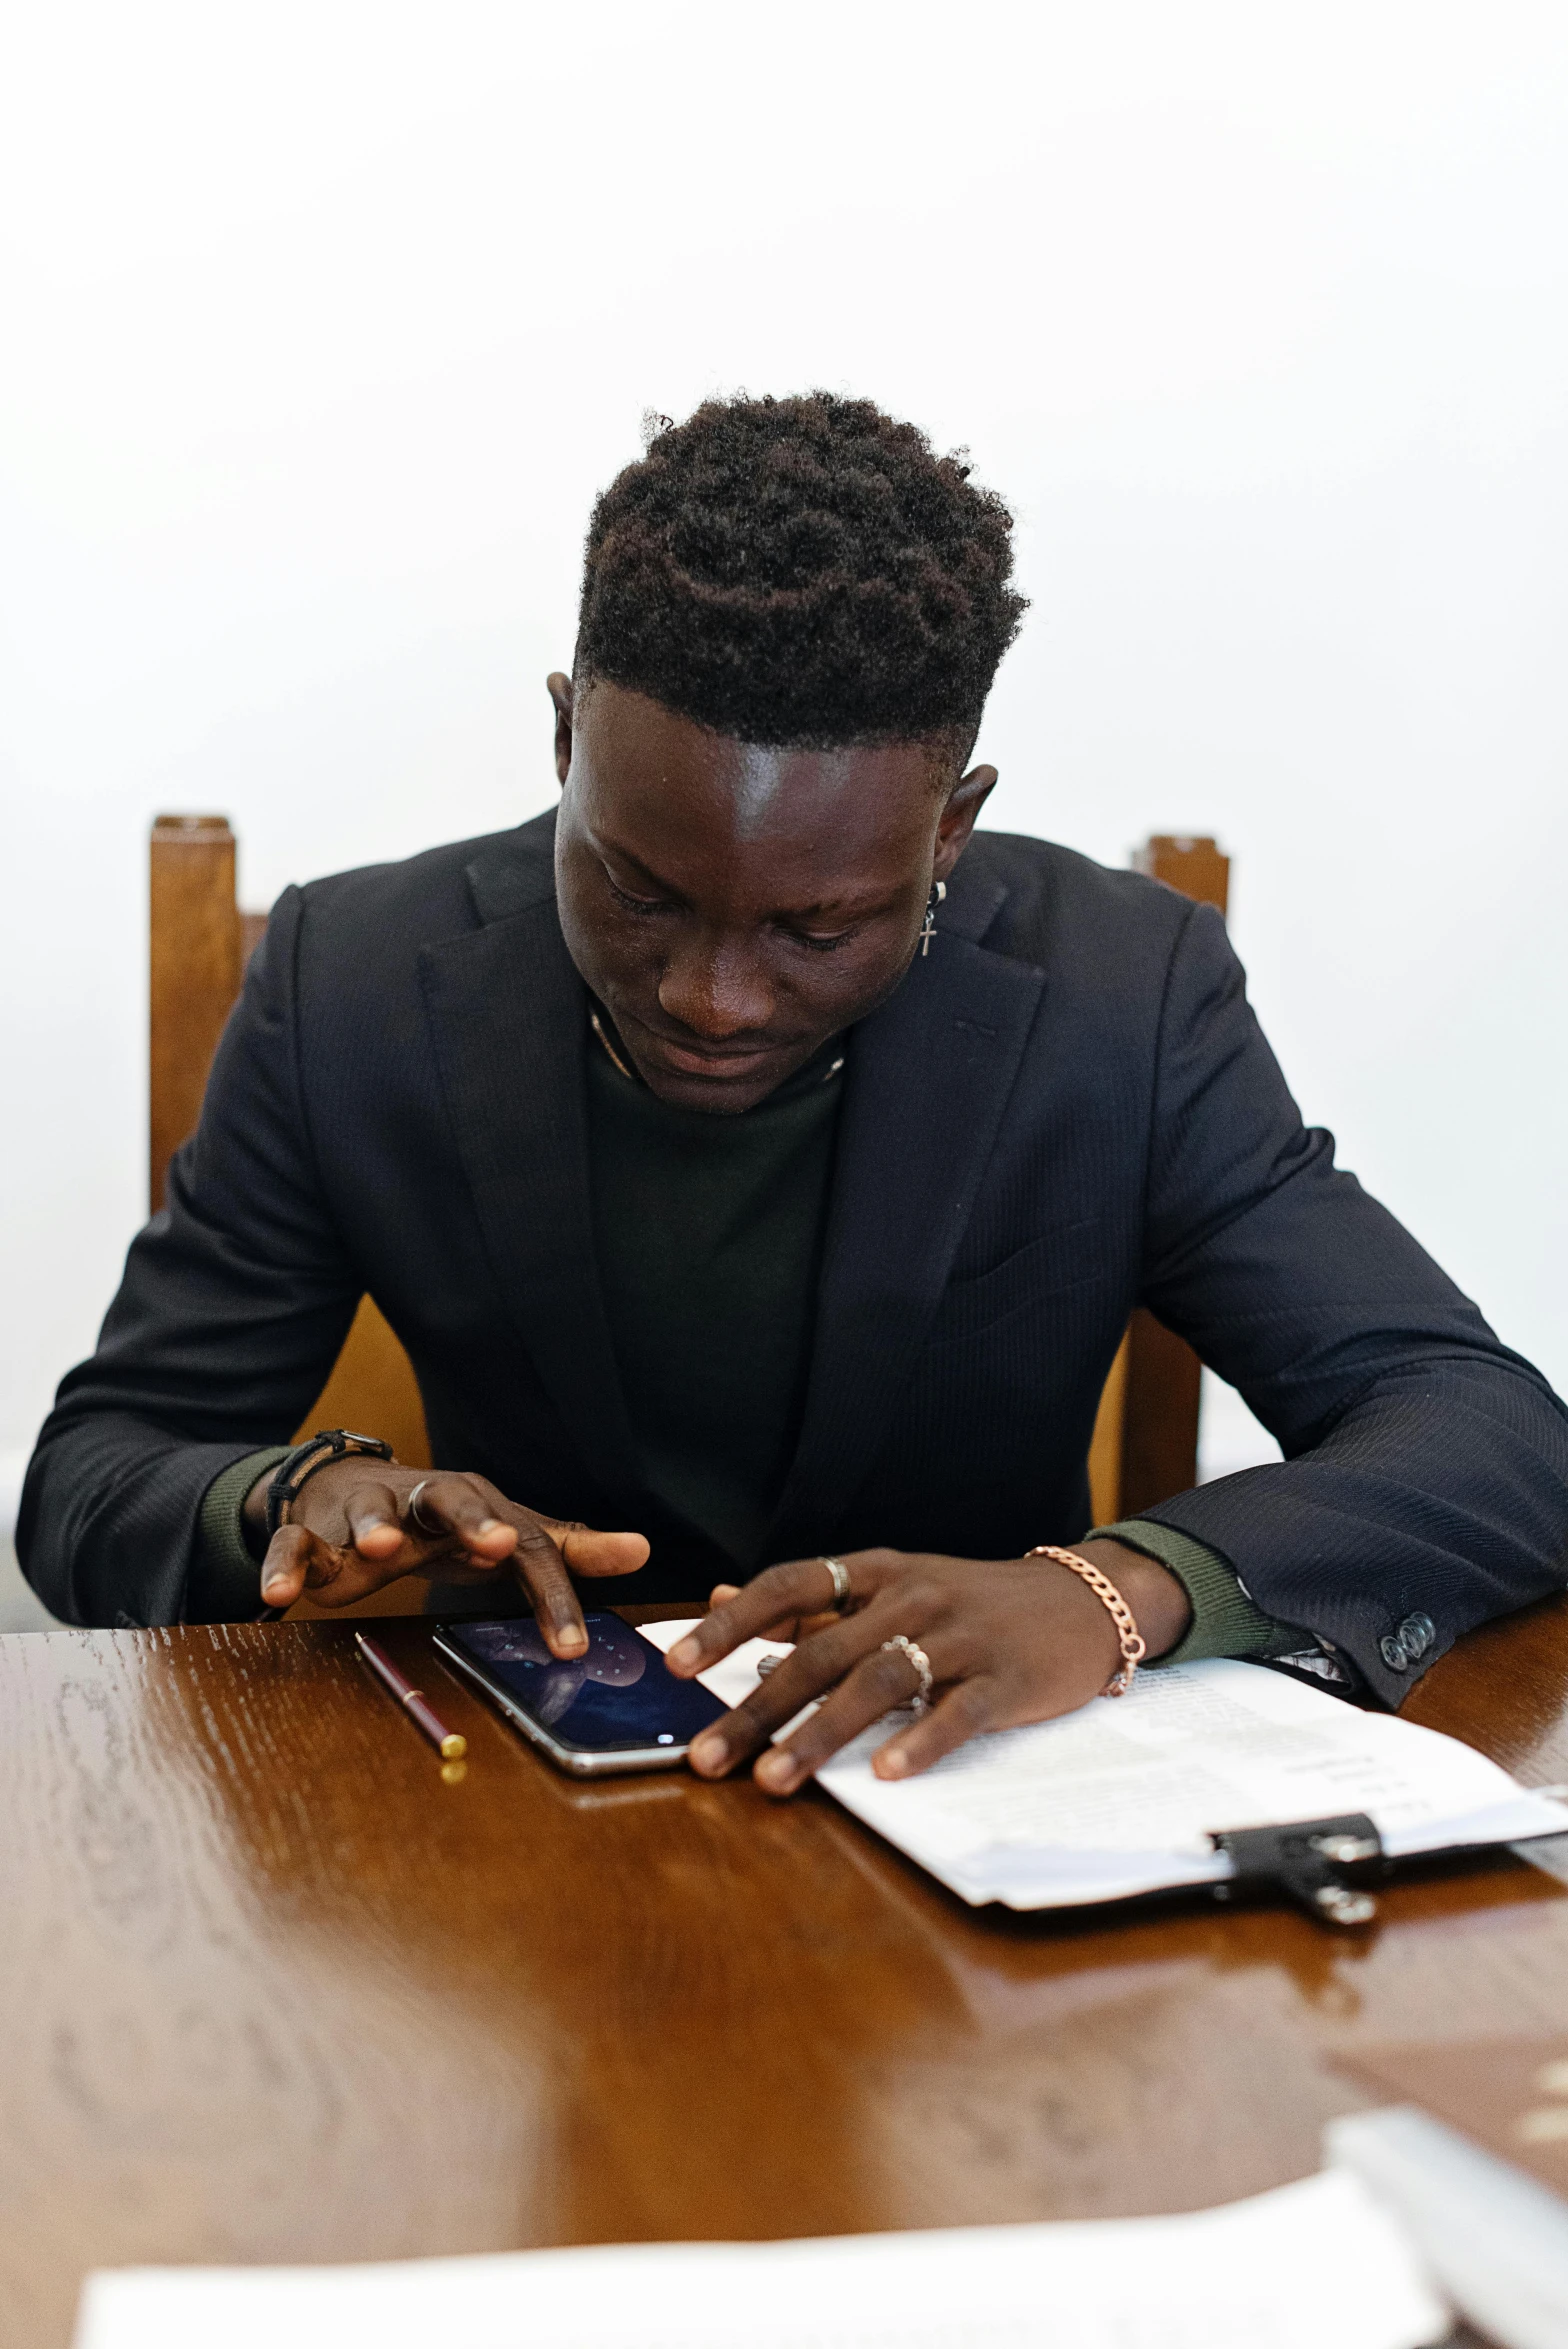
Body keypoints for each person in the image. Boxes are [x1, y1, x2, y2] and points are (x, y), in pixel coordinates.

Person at [19, 392, 1568, 1799]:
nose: (714, 996)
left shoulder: (1124, 1000)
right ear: (566, 739)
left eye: (817, 929)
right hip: (522, 1841)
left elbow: (1491, 1435)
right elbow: (94, 1477)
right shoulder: (354, 980)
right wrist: (300, 1491)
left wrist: (1105, 1593)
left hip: (975, 1822)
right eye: (638, 891)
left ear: (949, 831)